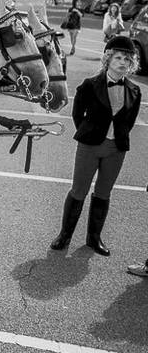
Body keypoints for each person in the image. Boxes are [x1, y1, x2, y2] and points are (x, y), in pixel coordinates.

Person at [50, 35, 141, 256]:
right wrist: (88, 133)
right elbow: (77, 113)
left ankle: (94, 238)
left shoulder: (135, 90)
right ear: (108, 60)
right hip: (89, 146)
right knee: (79, 190)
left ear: (131, 65)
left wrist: (116, 137)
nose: (122, 62)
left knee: (103, 192)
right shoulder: (90, 85)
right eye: (118, 58)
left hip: (115, 149)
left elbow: (129, 121)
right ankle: (65, 235)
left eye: (127, 60)